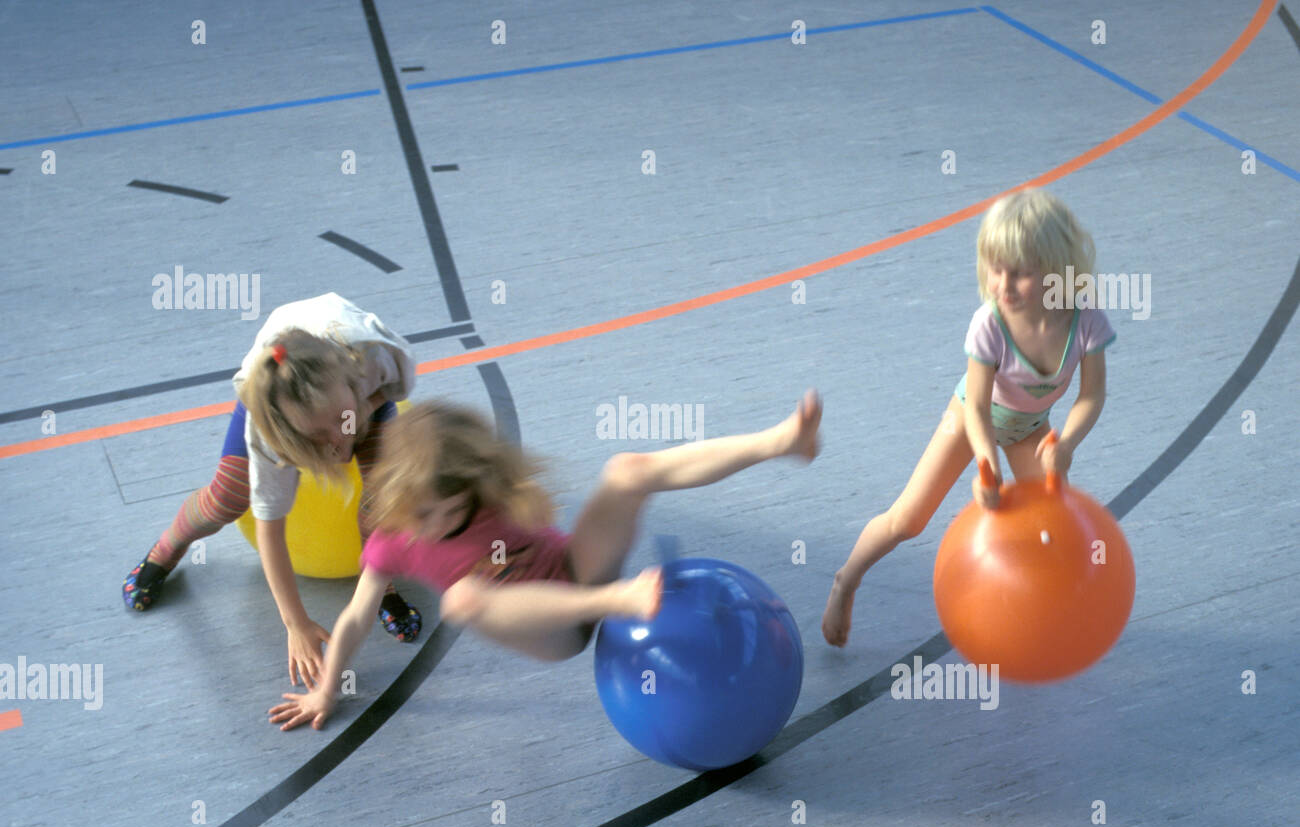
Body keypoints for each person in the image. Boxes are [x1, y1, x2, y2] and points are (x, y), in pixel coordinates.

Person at [269, 390, 822, 730]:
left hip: (576, 571)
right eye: (424, 513)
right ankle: (616, 599)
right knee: (461, 599)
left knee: (626, 469)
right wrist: (326, 688)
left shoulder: (492, 486)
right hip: (554, 629)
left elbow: (532, 508)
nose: (434, 523)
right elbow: (357, 616)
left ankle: (778, 442)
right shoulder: (394, 537)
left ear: (470, 483)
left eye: (450, 508)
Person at [822, 188, 1116, 647]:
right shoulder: (990, 323)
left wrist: (1067, 442)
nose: (1003, 284)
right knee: (908, 520)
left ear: (1057, 270)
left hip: (1030, 429)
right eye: (995, 269)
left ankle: (1032, 606)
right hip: (969, 420)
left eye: (1020, 274)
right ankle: (847, 579)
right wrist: (986, 464)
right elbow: (977, 406)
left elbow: (1092, 395)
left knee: (1050, 526)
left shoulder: (1086, 320)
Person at [122, 292, 424, 687]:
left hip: (350, 389)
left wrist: (357, 418)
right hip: (286, 399)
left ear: (355, 384)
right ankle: (166, 550)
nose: (336, 443)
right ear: (288, 435)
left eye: (339, 420)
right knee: (226, 499)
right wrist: (295, 623)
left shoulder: (378, 356)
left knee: (380, 506)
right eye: (318, 434)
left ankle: (380, 585)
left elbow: (399, 386)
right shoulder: (270, 432)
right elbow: (271, 530)